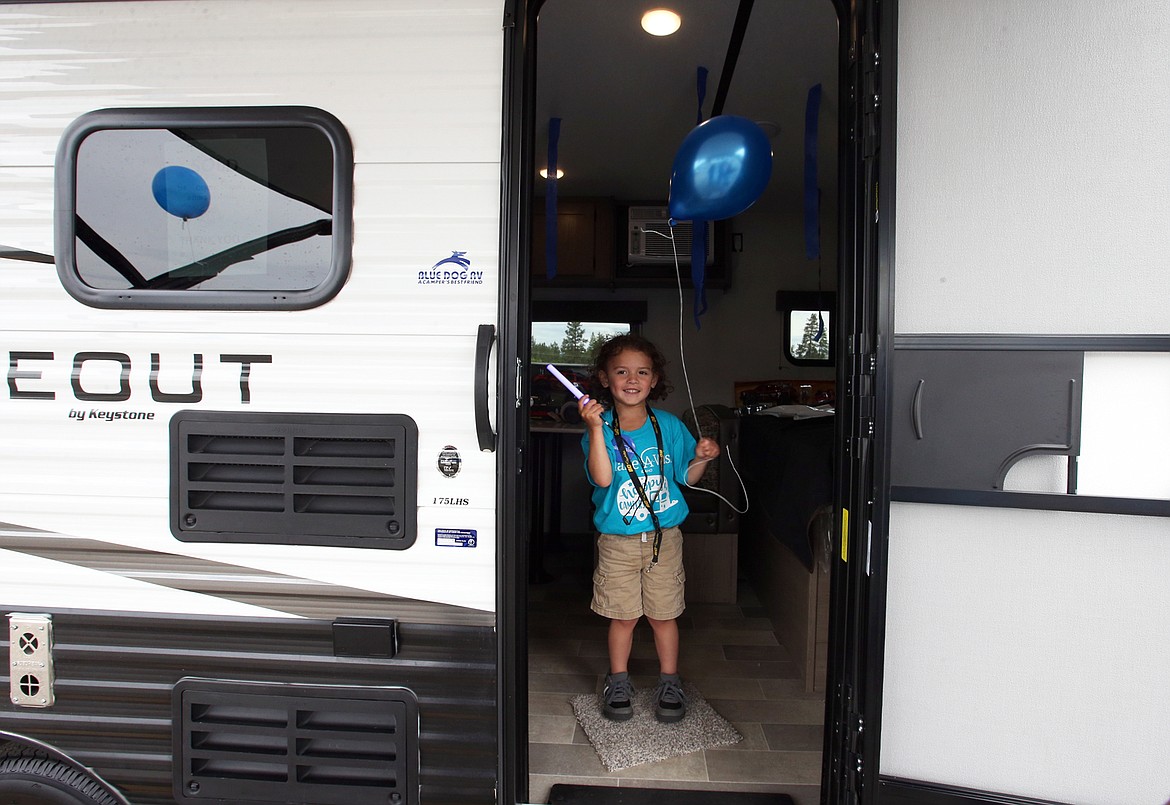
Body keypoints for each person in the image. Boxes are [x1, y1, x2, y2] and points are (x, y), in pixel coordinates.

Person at [578, 334, 719, 723]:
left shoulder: (670, 426)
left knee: (663, 614)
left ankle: (670, 681)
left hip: (664, 539)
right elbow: (603, 479)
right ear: (605, 379)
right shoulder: (601, 426)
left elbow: (686, 477)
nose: (632, 379)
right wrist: (593, 429)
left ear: (654, 379)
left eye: (642, 371)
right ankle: (618, 680)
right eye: (621, 371)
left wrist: (702, 458)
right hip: (618, 542)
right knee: (622, 616)